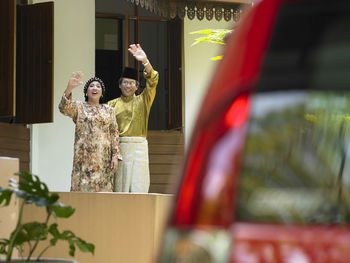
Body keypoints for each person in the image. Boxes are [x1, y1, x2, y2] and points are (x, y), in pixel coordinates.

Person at [108, 44, 159, 193]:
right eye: (125, 82)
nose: (128, 85)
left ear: (137, 86)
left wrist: (145, 61)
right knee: (120, 187)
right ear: (119, 85)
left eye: (131, 83)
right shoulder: (111, 105)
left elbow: (153, 80)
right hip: (120, 148)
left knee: (139, 187)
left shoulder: (144, 100)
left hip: (139, 147)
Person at [59, 72, 122, 192]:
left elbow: (114, 133)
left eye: (98, 86)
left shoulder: (109, 110)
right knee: (82, 192)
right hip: (83, 159)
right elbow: (63, 108)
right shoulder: (79, 107)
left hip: (103, 159)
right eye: (91, 86)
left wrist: (115, 156)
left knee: (103, 194)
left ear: (102, 92)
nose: (95, 88)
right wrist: (69, 88)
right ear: (86, 91)